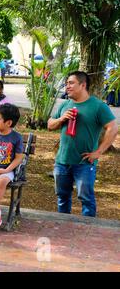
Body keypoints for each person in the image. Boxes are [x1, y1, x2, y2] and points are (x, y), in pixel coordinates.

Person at [48, 71, 117, 217]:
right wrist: (61, 119)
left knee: (86, 199)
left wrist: (98, 152)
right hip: (62, 161)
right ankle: (63, 226)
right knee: (62, 197)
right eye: (67, 83)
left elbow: (112, 128)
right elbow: (50, 125)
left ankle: (87, 230)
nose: (67, 86)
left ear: (83, 85)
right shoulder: (65, 104)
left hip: (84, 162)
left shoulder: (98, 106)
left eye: (71, 83)